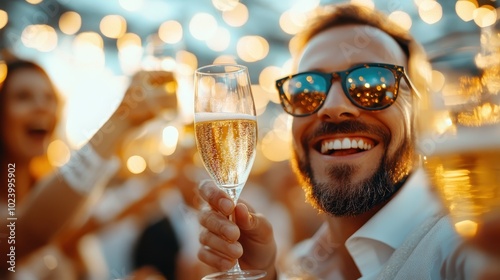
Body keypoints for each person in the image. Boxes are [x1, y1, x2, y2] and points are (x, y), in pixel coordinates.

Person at [196, 3, 498, 280]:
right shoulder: (300, 262)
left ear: (422, 114)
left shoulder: (461, 245)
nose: (332, 107)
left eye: (373, 82)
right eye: (307, 89)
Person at [0, 57, 177, 277]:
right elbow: (25, 234)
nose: (42, 107)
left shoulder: (48, 196)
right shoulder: (42, 211)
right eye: (23, 97)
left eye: (49, 98)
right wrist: (122, 118)